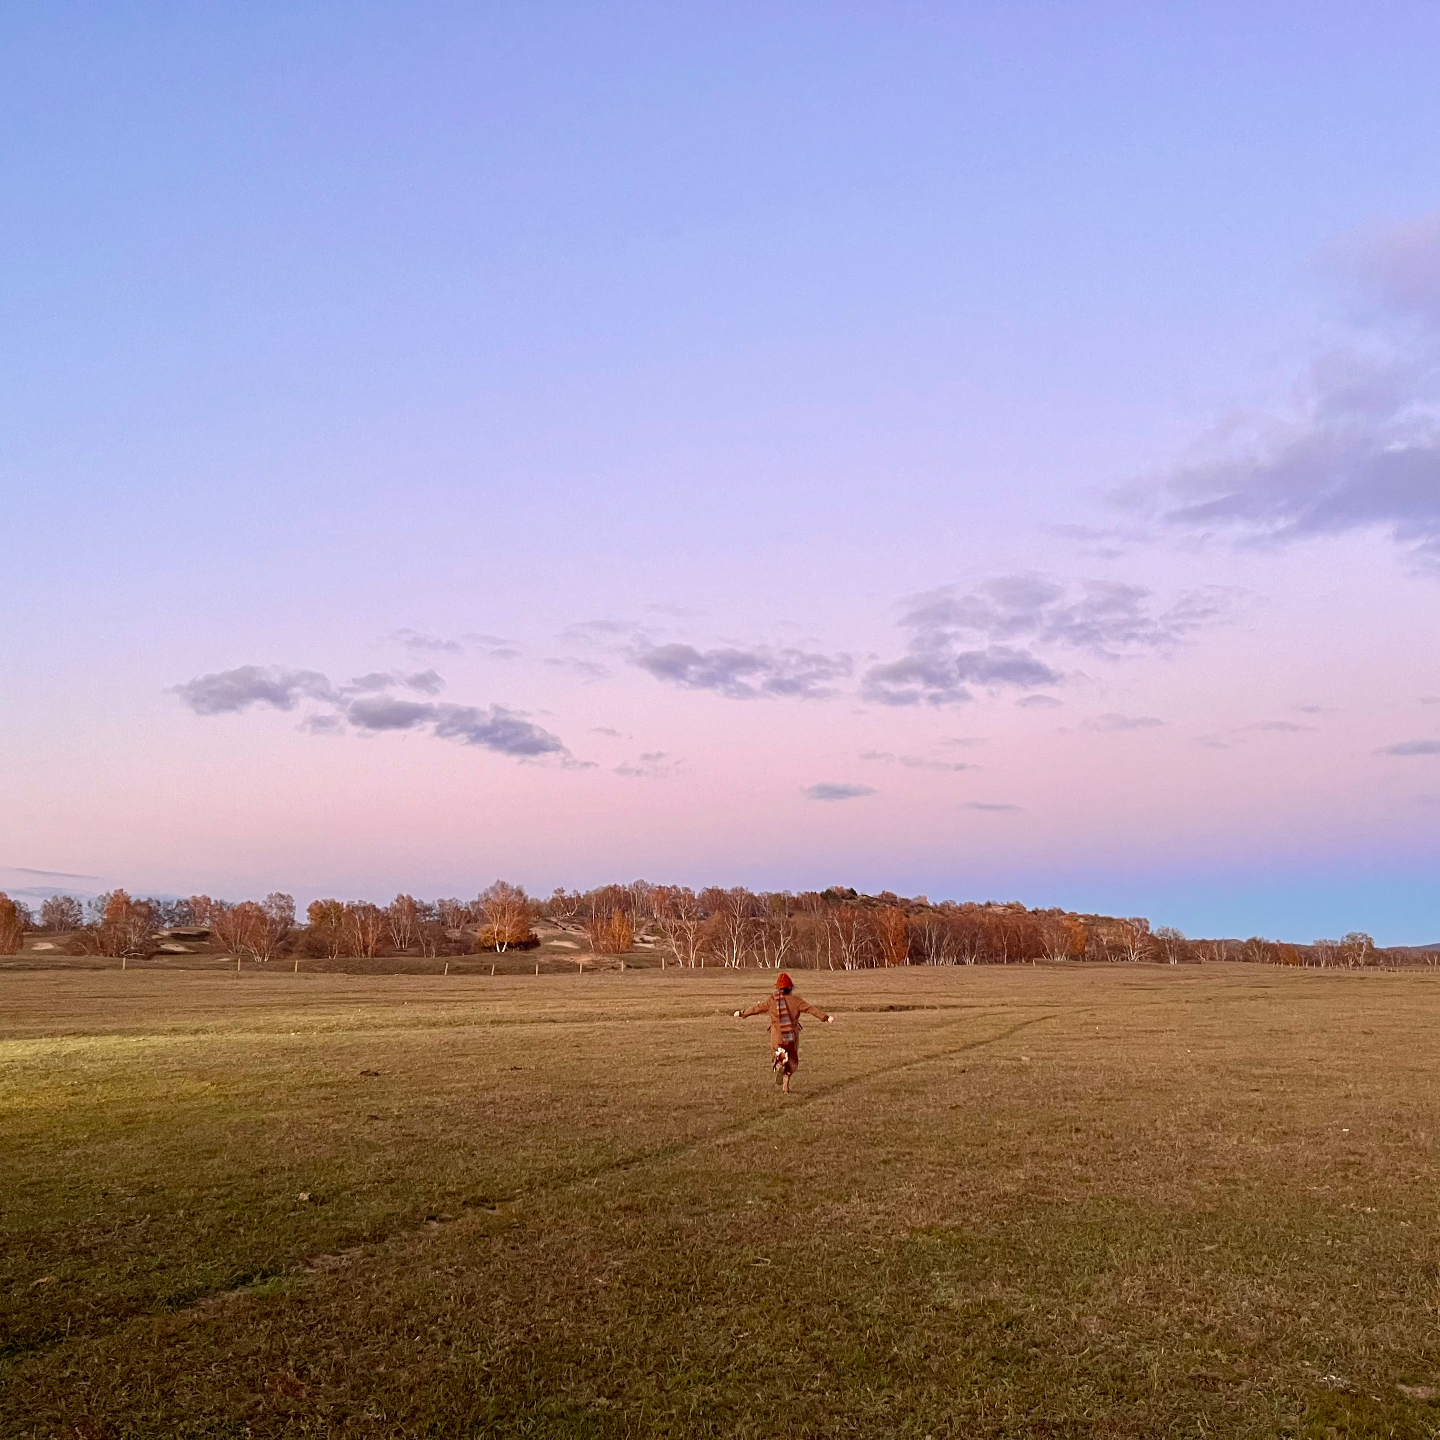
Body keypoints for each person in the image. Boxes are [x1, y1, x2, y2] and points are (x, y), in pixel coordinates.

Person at [734, 972, 833, 1093]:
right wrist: (826, 1017)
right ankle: (785, 1085)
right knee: (791, 1059)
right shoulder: (796, 1000)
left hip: (777, 1035)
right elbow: (811, 1009)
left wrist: (742, 1013)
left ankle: (779, 1065)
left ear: (778, 988)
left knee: (778, 1054)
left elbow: (757, 1008)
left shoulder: (772, 1000)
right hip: (791, 1036)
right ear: (790, 988)